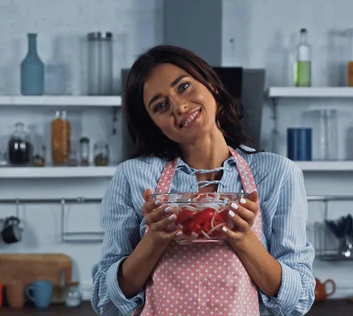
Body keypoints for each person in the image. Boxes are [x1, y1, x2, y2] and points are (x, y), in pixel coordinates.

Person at [91, 45, 315, 316]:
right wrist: (153, 240)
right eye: (160, 105)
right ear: (154, 124)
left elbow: (299, 298)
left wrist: (243, 239)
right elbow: (106, 300)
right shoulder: (133, 177)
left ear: (212, 85)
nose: (179, 106)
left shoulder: (277, 174)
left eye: (183, 87)